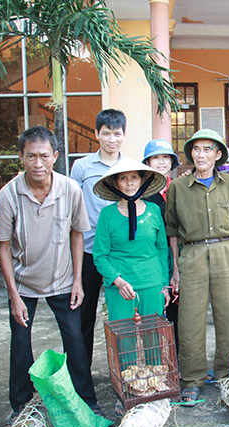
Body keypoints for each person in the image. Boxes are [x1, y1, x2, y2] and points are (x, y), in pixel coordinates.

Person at [0, 126, 101, 420]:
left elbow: (78, 235)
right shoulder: (8, 195)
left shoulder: (69, 189)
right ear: (21, 157)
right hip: (23, 283)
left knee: (75, 340)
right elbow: (3, 246)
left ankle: (86, 401)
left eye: (44, 156)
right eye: (31, 156)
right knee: (19, 344)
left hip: (62, 279)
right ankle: (21, 405)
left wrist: (78, 280)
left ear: (55, 156)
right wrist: (13, 295)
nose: (38, 163)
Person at [165, 128, 229, 405]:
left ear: (218, 154)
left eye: (207, 149)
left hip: (226, 253)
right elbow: (173, 229)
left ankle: (226, 375)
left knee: (228, 319)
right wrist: (176, 267)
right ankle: (192, 379)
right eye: (196, 149)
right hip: (193, 255)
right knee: (190, 321)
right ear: (191, 154)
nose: (201, 154)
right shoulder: (177, 187)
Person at [70, 109, 125, 366]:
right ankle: (82, 375)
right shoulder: (81, 167)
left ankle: (125, 368)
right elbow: (73, 207)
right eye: (106, 133)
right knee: (84, 316)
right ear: (96, 134)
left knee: (123, 314)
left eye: (117, 133)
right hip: (90, 251)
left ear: (124, 135)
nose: (111, 139)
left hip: (120, 254)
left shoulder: (130, 167)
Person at [92, 157, 170, 320]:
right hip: (120, 287)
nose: (129, 183)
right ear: (115, 183)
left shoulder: (154, 210)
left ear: (141, 180)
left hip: (152, 284)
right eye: (123, 178)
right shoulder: (107, 215)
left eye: (134, 177)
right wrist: (117, 281)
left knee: (154, 339)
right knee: (123, 340)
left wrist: (165, 286)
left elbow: (162, 250)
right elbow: (100, 255)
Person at [142, 139, 182, 350]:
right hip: (153, 257)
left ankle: (176, 360)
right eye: (156, 157)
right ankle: (156, 359)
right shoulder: (141, 193)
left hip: (178, 254)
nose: (161, 162)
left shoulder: (178, 187)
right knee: (156, 310)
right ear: (147, 161)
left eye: (165, 157)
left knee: (178, 310)